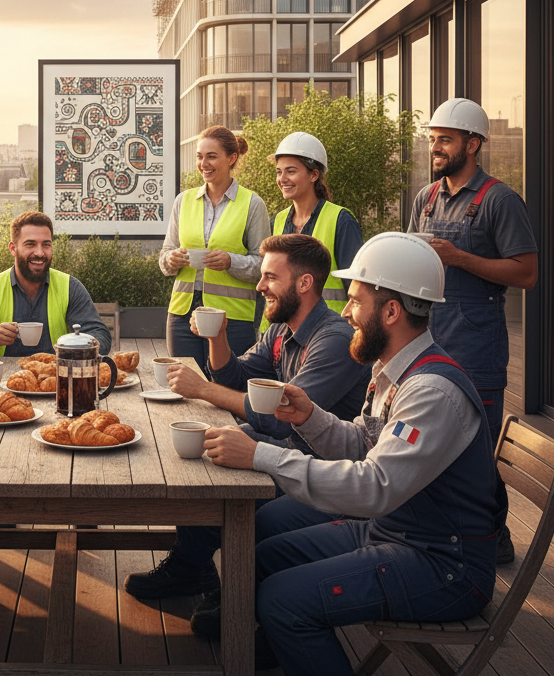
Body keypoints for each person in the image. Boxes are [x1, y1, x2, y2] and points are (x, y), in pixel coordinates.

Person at [200, 232, 507, 676]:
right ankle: (287, 649)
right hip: (396, 534)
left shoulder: (431, 392)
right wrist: (310, 417)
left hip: (444, 565)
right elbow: (364, 444)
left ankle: (287, 636)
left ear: (391, 311)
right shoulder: (394, 370)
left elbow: (373, 488)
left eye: (355, 301)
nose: (346, 313)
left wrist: (260, 457)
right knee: (261, 556)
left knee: (281, 600)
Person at [124, 234, 370, 634]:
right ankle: (193, 569)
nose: (259, 286)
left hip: (321, 467)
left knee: (214, 459)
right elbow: (237, 376)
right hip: (290, 449)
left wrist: (203, 390)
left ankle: (226, 590)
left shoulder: (332, 340)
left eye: (270, 277)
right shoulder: (282, 330)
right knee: (204, 449)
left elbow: (279, 419)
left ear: (304, 284)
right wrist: (216, 338)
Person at [407, 97, 537, 564]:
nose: (436, 147)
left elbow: (526, 273)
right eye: (433, 139)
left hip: (476, 347)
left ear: (473, 144)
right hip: (429, 344)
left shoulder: (499, 200)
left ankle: (492, 537)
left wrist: (460, 258)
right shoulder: (425, 197)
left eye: (445, 139)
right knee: (431, 443)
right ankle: (443, 533)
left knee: (479, 449)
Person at [162, 126, 270, 366]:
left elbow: (265, 266)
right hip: (182, 315)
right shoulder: (183, 201)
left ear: (231, 158)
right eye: (200, 156)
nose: (203, 163)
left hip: (232, 320)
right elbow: (165, 255)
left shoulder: (252, 204)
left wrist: (231, 262)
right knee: (185, 383)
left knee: (226, 387)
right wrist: (171, 260)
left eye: (211, 156)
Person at [0, 210, 110, 357]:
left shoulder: (70, 287)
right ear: (13, 249)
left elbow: (100, 336)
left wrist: (74, 349)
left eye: (46, 245)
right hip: (3, 383)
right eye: (30, 244)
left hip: (56, 379)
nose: (40, 253)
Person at [259, 132, 362, 330]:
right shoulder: (278, 220)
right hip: (282, 331)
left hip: (330, 332)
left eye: (291, 171)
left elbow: (357, 287)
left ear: (314, 175)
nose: (283, 179)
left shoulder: (341, 220)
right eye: (279, 172)